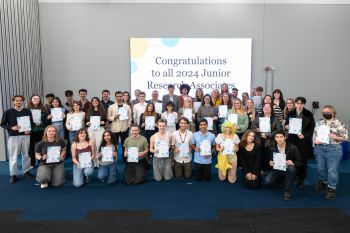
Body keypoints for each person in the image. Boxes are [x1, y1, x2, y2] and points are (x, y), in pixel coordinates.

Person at [313, 105, 348, 200]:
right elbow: (315, 134)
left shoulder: (339, 123)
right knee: (320, 168)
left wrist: (335, 137)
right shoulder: (319, 123)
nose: (326, 114)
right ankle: (323, 182)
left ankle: (332, 188)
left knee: (332, 170)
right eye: (324, 112)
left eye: (328, 112)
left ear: (333, 113)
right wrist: (315, 141)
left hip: (334, 149)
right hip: (320, 148)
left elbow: (345, 138)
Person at [1, 95, 35, 183]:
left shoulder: (27, 111)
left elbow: (32, 123)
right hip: (13, 137)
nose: (18, 102)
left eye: (20, 100)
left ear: (22, 101)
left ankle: (26, 171)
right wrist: (12, 128)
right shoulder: (8, 112)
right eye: (17, 101)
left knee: (26, 155)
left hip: (26, 136)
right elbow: (3, 124)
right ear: (13, 102)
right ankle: (13, 174)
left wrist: (29, 130)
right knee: (13, 157)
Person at [285, 97, 315, 189]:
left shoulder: (309, 114)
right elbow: (286, 125)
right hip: (292, 140)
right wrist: (286, 126)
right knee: (292, 158)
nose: (299, 105)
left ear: (304, 104)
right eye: (297, 103)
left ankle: (301, 180)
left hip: (303, 141)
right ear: (295, 104)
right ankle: (293, 176)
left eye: (301, 103)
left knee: (303, 161)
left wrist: (305, 136)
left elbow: (312, 128)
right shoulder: (291, 113)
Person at [265, 130, 302, 201]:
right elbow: (269, 160)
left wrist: (292, 162)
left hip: (288, 168)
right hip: (277, 169)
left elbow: (300, 162)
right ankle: (282, 179)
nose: (279, 139)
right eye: (277, 137)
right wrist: (270, 162)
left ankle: (287, 190)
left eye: (281, 137)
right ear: (275, 138)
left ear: (285, 137)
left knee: (292, 169)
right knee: (267, 181)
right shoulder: (271, 147)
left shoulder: (293, 147)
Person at [253, 103, 283, 171]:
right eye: (265, 107)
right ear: (262, 109)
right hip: (259, 139)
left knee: (269, 155)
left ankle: (269, 169)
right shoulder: (259, 116)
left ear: (271, 109)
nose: (266, 108)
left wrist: (268, 134)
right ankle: (261, 169)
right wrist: (257, 129)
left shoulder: (275, 118)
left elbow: (279, 129)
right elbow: (253, 125)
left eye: (268, 107)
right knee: (260, 154)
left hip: (271, 141)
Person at [107, 91, 132, 162]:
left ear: (123, 97)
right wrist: (114, 117)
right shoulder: (111, 107)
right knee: (115, 145)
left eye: (121, 96)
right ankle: (115, 159)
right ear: (115, 97)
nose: (119, 97)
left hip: (124, 128)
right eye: (118, 96)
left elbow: (130, 117)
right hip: (115, 128)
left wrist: (129, 126)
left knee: (125, 144)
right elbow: (108, 117)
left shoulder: (127, 106)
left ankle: (125, 158)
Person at [85, 97, 107, 166]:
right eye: (93, 101)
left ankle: (99, 160)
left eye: (96, 101)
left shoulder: (103, 110)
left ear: (98, 102)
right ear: (91, 102)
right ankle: (94, 161)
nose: (94, 102)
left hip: (100, 129)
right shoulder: (89, 110)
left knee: (99, 144)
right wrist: (87, 123)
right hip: (91, 130)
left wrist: (102, 122)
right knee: (92, 144)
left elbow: (105, 121)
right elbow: (86, 121)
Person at [28, 94, 48, 167]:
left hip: (41, 131)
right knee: (31, 147)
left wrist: (41, 123)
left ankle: (40, 161)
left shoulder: (43, 109)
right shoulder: (27, 109)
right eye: (34, 98)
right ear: (31, 100)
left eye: (37, 98)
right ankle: (32, 163)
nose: (36, 99)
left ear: (39, 100)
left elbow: (46, 121)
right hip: (31, 131)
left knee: (40, 147)